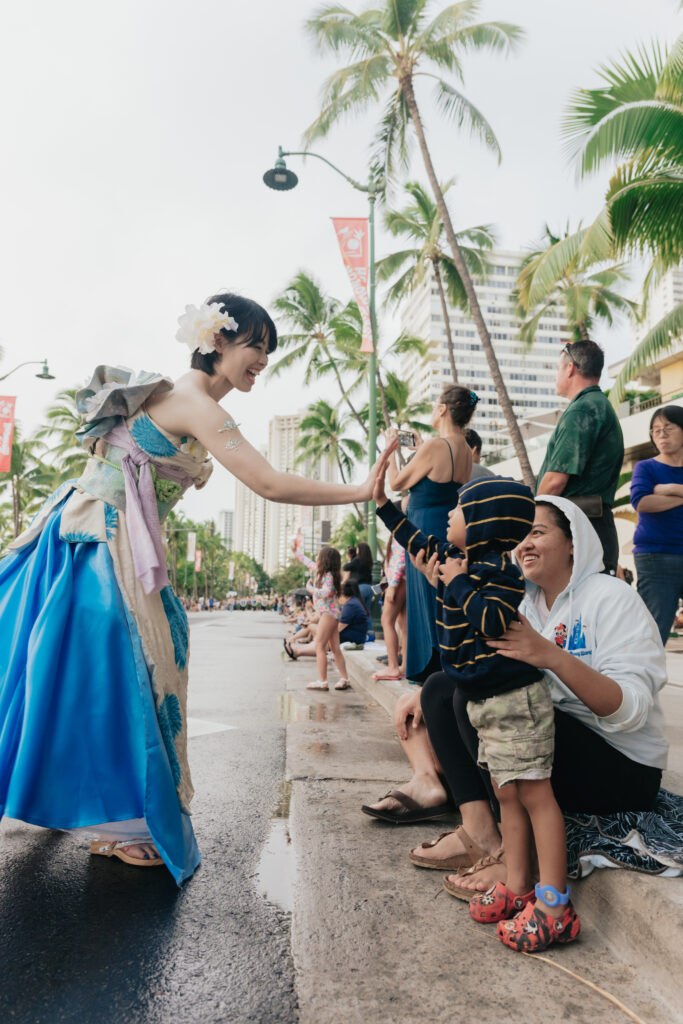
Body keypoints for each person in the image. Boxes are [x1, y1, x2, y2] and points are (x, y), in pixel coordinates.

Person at [0, 291, 391, 884]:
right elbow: (269, 482)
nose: (262, 360)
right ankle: (124, 822)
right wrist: (362, 491)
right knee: (122, 673)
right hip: (101, 541)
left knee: (75, 671)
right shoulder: (194, 402)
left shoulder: (173, 394)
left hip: (90, 537)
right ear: (217, 344)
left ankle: (107, 815)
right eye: (255, 346)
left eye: (267, 350)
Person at [411, 498, 667, 912]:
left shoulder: (611, 597)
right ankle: (483, 832)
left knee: (482, 698)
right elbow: (472, 658)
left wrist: (548, 654)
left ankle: (519, 860)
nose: (524, 544)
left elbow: (630, 709)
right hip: (550, 746)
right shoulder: (521, 600)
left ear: (573, 542)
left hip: (621, 768)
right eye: (519, 536)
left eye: (538, 532)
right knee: (441, 690)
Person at [374, 470, 579, 951]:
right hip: (486, 703)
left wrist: (460, 583)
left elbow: (490, 622)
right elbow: (412, 538)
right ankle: (518, 884)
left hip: (515, 703)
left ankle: (554, 906)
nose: (447, 514)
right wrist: (383, 503)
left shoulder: (501, 576)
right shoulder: (450, 558)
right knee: (505, 794)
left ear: (484, 523)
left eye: (460, 509)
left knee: (535, 797)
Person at [385, 386, 474, 684]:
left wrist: (390, 450)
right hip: (448, 529)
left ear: (443, 409)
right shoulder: (464, 449)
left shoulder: (436, 446)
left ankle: (429, 670)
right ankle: (446, 665)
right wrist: (421, 449)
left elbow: (397, 483)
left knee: (425, 598)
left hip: (422, 530)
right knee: (441, 596)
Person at [536, 340, 624, 574]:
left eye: (557, 369)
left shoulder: (583, 409)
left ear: (570, 368)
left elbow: (555, 480)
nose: (556, 375)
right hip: (592, 526)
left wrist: (533, 520)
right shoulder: (598, 405)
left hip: (580, 530)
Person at [631, 405, 683, 645]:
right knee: (652, 634)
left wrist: (672, 489)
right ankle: (640, 682)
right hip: (656, 557)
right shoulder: (646, 467)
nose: (661, 434)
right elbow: (642, 502)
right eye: (656, 430)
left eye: (668, 428)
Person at [289, 544, 351, 691]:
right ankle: (344, 678)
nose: (316, 558)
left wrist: (310, 588)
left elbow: (326, 592)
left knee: (320, 646)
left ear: (325, 560)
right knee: (335, 648)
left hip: (328, 614)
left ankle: (322, 681)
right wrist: (296, 552)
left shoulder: (328, 576)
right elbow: (307, 561)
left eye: (319, 556)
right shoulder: (322, 573)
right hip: (330, 614)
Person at [372, 530, 406, 681]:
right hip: (403, 581)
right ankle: (404, 665)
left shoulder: (400, 532)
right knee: (403, 625)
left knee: (387, 621)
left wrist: (392, 586)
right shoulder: (405, 531)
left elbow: (399, 559)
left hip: (397, 583)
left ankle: (392, 667)